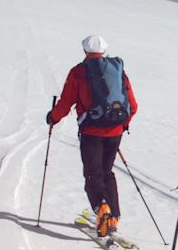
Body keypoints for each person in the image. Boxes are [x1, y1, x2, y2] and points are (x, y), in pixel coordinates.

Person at [47, 35, 138, 237]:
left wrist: (52, 118)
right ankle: (113, 216)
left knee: (93, 173)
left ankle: (101, 208)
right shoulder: (119, 71)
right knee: (107, 172)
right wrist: (122, 125)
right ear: (104, 50)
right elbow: (133, 105)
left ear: (84, 51)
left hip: (91, 132)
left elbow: (65, 102)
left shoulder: (79, 72)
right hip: (115, 132)